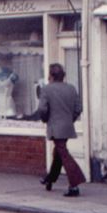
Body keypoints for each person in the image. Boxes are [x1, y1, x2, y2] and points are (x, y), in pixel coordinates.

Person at [38, 63, 85, 197]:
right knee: (58, 152)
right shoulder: (71, 88)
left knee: (63, 153)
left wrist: (45, 119)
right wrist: (70, 120)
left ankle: (75, 184)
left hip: (55, 126)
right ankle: (50, 179)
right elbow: (78, 108)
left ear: (51, 75)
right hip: (67, 126)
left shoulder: (46, 89)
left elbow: (42, 109)